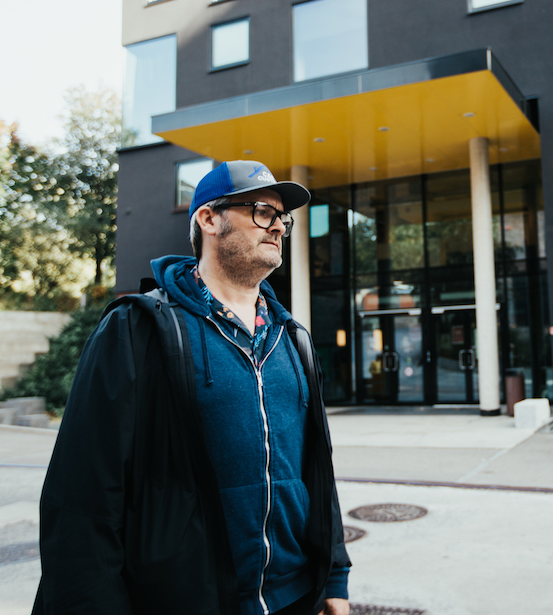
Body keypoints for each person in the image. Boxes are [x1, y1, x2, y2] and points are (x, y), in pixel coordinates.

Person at [34, 160, 351, 615]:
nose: (279, 226)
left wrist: (333, 575)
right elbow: (83, 496)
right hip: (187, 601)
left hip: (295, 597)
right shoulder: (138, 330)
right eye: (263, 210)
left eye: (283, 216)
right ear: (208, 219)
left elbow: (317, 468)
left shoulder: (294, 339)